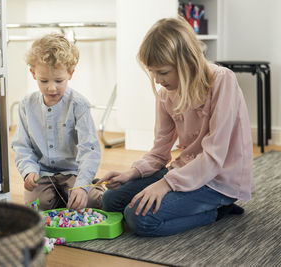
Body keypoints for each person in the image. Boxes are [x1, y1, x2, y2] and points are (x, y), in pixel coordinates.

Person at [98, 17, 254, 237]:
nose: (157, 79)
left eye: (162, 72)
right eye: (152, 72)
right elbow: (160, 152)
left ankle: (218, 211)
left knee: (139, 219)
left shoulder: (221, 81)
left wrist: (165, 184)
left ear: (186, 62)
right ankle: (182, 201)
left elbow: (214, 157)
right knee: (111, 200)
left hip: (218, 180)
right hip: (186, 172)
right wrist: (132, 173)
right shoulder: (165, 94)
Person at [12, 33, 104, 211]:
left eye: (59, 80)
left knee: (93, 202)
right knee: (35, 206)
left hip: (72, 173)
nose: (51, 87)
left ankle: (88, 187)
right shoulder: (26, 105)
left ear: (70, 73)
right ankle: (63, 197)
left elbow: (90, 149)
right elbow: (22, 146)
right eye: (44, 80)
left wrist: (82, 185)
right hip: (42, 173)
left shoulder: (79, 104)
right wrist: (29, 171)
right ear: (33, 73)